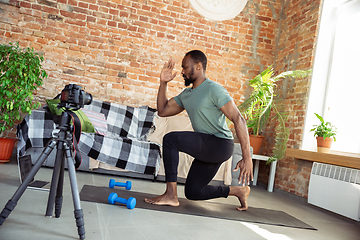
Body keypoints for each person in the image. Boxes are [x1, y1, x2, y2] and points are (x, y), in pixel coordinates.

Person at [144, 50, 253, 211]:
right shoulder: (187, 95)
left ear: (199, 66)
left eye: (185, 67)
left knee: (170, 139)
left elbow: (238, 118)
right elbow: (163, 110)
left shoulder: (214, 89)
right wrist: (163, 83)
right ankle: (238, 191)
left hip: (220, 144)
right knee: (193, 192)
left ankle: (171, 195)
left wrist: (247, 157)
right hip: (207, 144)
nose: (182, 72)